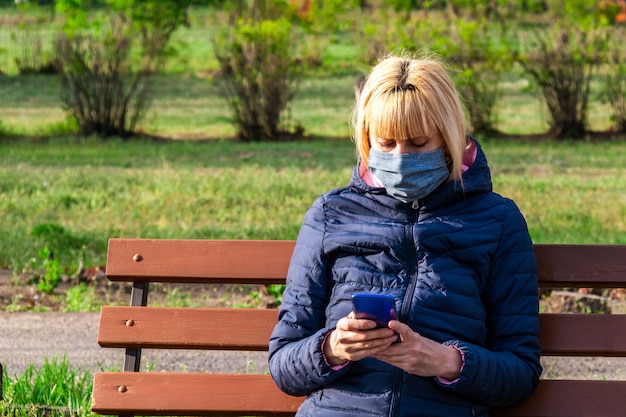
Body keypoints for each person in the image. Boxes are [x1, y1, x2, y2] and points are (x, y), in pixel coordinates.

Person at [268, 53, 542, 417]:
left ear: (448, 139)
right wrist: (333, 348)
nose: (400, 157)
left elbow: (520, 371)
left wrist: (447, 362)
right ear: (367, 140)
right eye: (385, 143)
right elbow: (283, 363)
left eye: (417, 143)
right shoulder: (331, 214)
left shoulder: (497, 220)